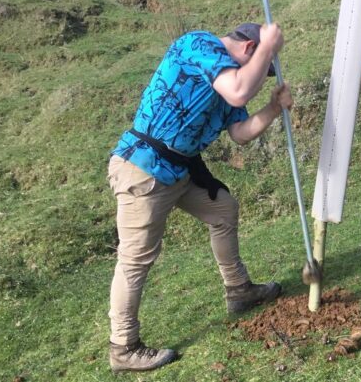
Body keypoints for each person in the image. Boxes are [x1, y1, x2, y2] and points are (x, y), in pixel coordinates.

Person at [106, 22, 292, 372]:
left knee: (223, 208)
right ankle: (123, 347)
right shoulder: (199, 45)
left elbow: (239, 132)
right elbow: (238, 92)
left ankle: (239, 291)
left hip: (179, 171)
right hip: (143, 168)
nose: (255, 80)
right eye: (259, 66)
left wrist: (271, 108)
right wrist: (270, 46)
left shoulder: (229, 80)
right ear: (250, 47)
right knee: (136, 259)